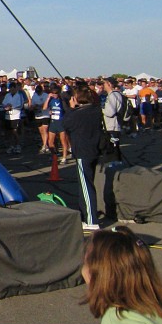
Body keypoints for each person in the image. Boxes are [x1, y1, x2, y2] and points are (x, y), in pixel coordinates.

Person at [62, 85, 104, 230]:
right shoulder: (96, 110)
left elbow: (65, 123)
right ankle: (86, 215)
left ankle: (91, 221)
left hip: (83, 151)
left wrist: (71, 108)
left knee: (86, 187)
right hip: (94, 149)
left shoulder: (77, 114)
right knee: (86, 184)